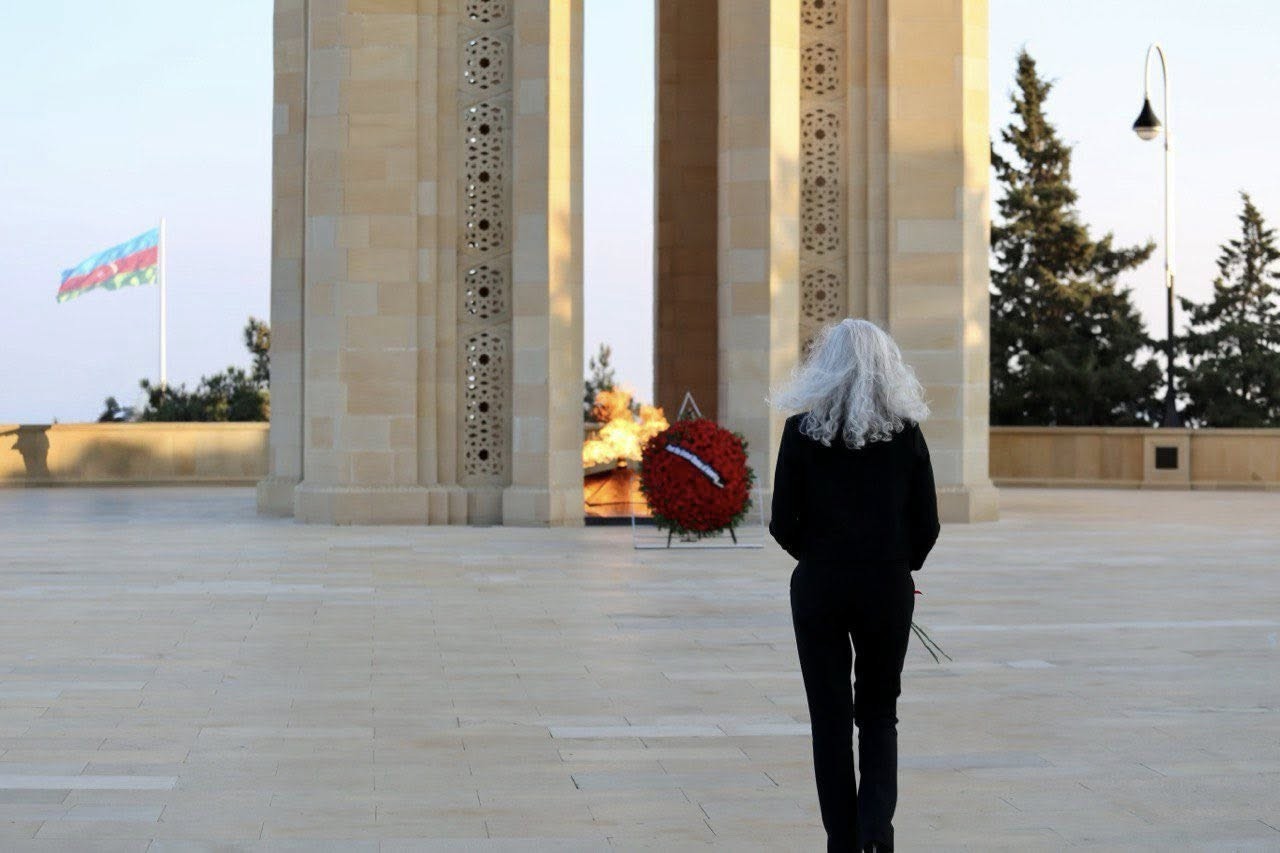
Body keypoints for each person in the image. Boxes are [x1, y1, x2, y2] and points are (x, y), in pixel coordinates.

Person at [766, 317, 941, 852]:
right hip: (886, 585)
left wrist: (818, 557)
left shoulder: (800, 431)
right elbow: (927, 523)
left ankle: (841, 841)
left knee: (830, 719)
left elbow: (781, 522)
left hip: (819, 584)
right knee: (879, 713)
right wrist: (898, 562)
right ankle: (875, 834)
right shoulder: (905, 434)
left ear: (825, 366)